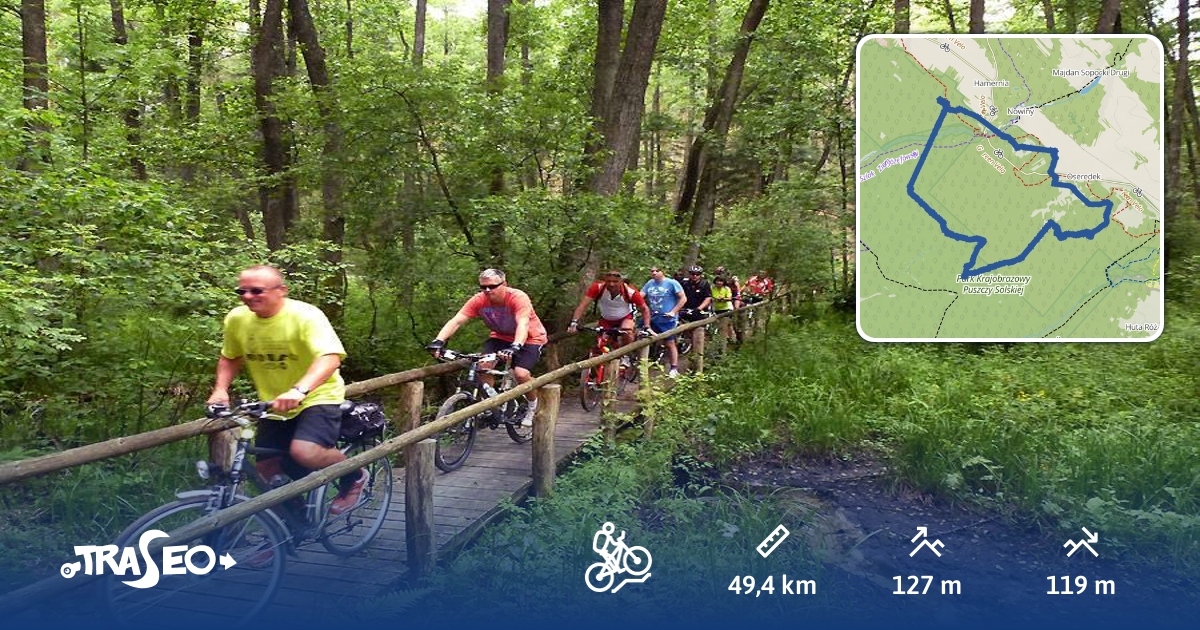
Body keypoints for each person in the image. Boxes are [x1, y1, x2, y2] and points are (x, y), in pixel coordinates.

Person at [206, 265, 366, 516]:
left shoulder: (305, 316)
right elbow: (230, 357)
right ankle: (295, 523)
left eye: (256, 290)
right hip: (273, 401)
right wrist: (220, 390)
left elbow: (330, 357)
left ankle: (354, 476)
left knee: (305, 451)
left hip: (316, 395)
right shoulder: (237, 319)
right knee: (266, 468)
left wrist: (299, 390)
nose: (247, 296)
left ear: (281, 290)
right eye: (242, 291)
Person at [427, 269, 548, 426]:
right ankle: (492, 405)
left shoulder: (517, 297)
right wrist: (438, 341)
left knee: (521, 373)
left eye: (492, 286)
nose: (487, 290)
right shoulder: (479, 300)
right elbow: (457, 320)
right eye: (483, 287)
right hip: (500, 337)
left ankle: (533, 405)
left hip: (530, 338)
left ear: (504, 284)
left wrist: (516, 345)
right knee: (483, 367)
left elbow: (523, 323)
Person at [567, 270, 652, 350]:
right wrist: (574, 322)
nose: (611, 284)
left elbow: (644, 309)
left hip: (626, 316)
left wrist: (647, 327)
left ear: (621, 281)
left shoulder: (630, 292)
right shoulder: (598, 288)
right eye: (609, 281)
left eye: (615, 281)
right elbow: (583, 305)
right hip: (606, 319)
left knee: (627, 332)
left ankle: (626, 355)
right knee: (602, 342)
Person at [641, 266, 685, 378]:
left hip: (667, 318)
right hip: (653, 317)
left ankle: (674, 368)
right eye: (652, 271)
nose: (654, 273)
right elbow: (640, 296)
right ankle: (644, 363)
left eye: (657, 271)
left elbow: (683, 298)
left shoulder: (672, 283)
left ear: (663, 272)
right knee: (641, 334)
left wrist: (673, 312)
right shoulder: (649, 283)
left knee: (669, 343)